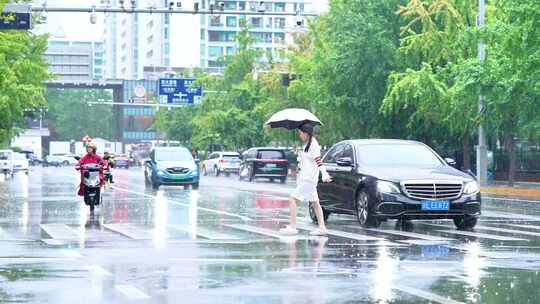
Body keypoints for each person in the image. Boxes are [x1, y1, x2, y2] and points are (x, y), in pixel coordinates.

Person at [280, 122, 332, 236]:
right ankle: (322, 227)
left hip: (308, 179)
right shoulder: (308, 144)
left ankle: (293, 226)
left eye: (300, 133)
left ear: (306, 133)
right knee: (315, 203)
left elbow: (318, 160)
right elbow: (308, 159)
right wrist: (298, 151)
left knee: (293, 199)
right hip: (308, 178)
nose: (300, 135)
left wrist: (324, 173)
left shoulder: (313, 145)